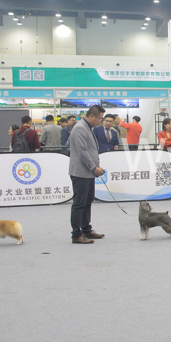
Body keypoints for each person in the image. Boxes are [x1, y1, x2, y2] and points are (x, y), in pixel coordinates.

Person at [68, 105, 106, 244]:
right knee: (79, 204)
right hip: (81, 173)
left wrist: (95, 167)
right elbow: (82, 152)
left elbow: (90, 150)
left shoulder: (88, 128)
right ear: (92, 116)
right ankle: (76, 234)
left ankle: (86, 229)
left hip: (88, 173)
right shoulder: (80, 128)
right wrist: (93, 167)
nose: (100, 121)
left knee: (87, 201)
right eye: (99, 118)